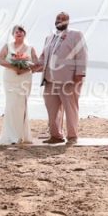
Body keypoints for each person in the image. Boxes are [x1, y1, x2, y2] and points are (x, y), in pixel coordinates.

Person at [34, 12, 88, 145]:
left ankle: (72, 136)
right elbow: (43, 57)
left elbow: (82, 55)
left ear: (68, 21)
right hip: (49, 80)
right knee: (52, 109)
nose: (60, 21)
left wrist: (80, 73)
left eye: (64, 19)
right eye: (58, 18)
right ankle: (56, 135)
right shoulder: (49, 37)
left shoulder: (76, 35)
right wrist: (31, 67)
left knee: (70, 108)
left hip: (69, 79)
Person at [0, 25, 38, 145]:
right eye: (16, 31)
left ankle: (21, 135)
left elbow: (36, 63)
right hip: (10, 78)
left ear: (24, 33)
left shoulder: (30, 48)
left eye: (21, 31)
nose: (18, 33)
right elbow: (0, 60)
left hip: (25, 79)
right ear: (13, 34)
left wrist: (24, 68)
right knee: (11, 105)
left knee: (22, 105)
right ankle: (11, 135)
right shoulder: (7, 46)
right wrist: (14, 66)